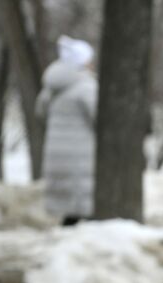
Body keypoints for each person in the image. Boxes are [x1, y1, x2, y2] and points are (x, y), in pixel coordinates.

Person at [37, 35, 98, 225]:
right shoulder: (86, 86)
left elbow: (41, 112)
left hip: (56, 154)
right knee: (82, 205)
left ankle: (69, 230)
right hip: (80, 155)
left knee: (68, 209)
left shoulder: (51, 88)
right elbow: (99, 118)